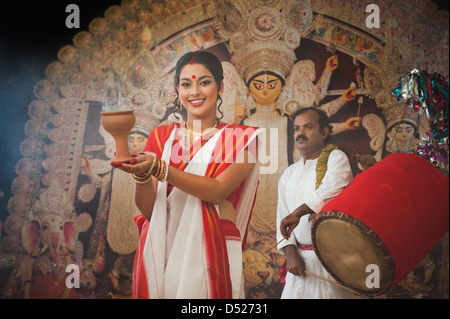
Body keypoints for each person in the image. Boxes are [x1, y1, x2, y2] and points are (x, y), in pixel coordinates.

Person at [111, 50, 261, 299]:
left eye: (204, 82)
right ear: (177, 90)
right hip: (164, 245)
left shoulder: (241, 138)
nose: (195, 92)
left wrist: (161, 169)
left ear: (220, 86)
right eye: (186, 84)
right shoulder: (162, 136)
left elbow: (217, 191)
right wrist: (141, 175)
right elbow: (151, 212)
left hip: (213, 247)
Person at [276, 107, 357, 299]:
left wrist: (298, 213)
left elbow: (332, 189)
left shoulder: (336, 158)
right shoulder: (289, 173)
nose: (300, 133)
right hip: (300, 265)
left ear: (324, 132)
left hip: (332, 262)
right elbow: (282, 216)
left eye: (308, 127)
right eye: (296, 129)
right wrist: (290, 253)